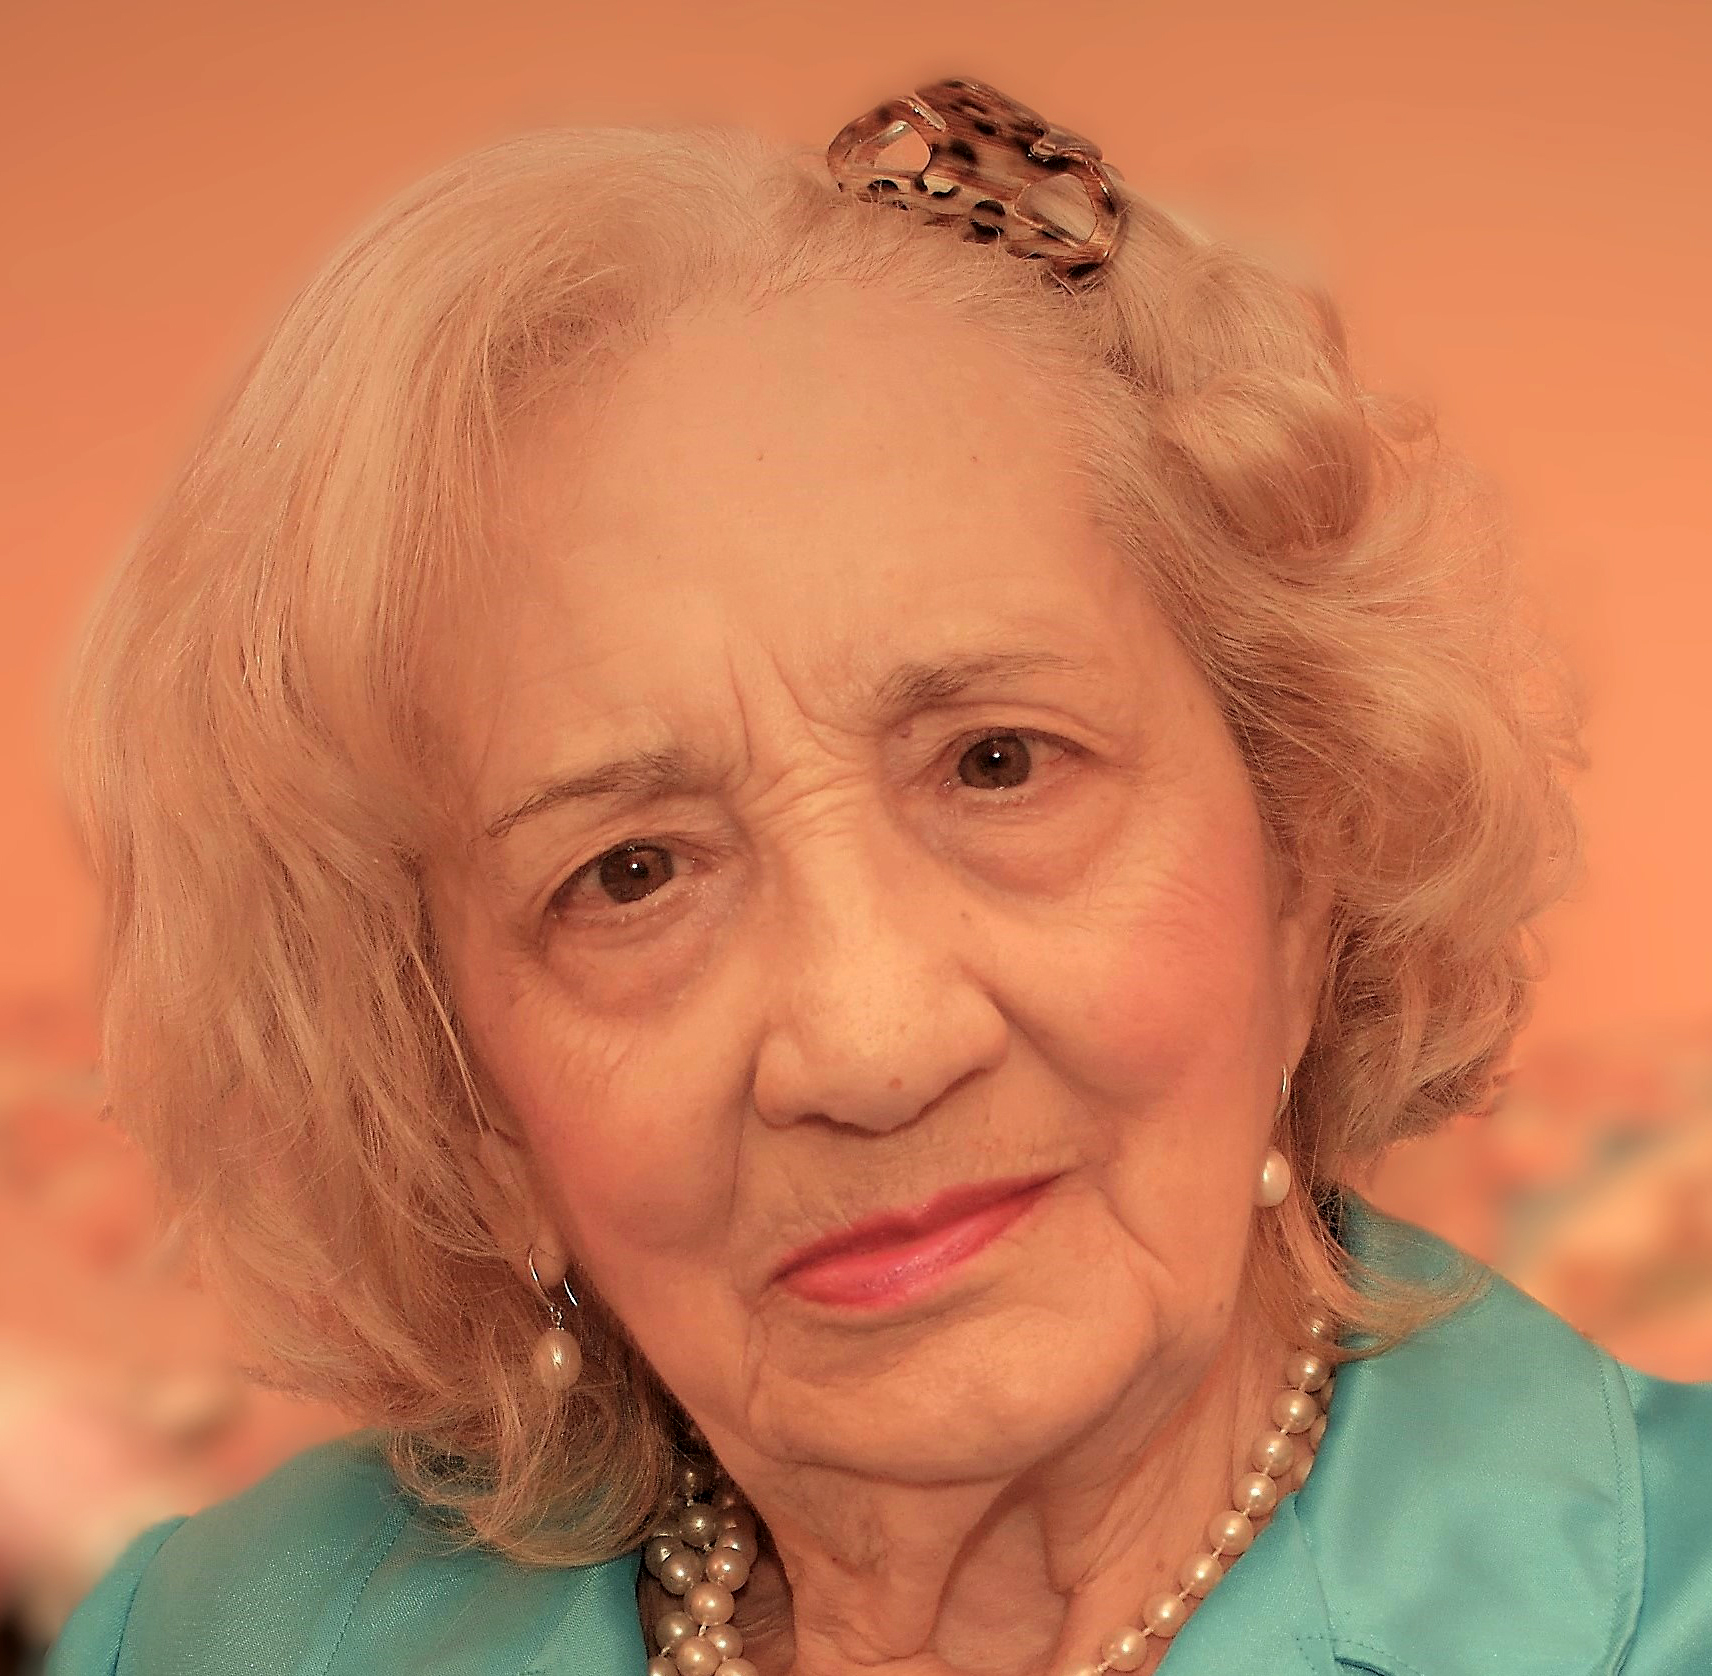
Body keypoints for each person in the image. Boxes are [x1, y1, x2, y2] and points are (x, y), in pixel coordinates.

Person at [45, 76, 1712, 1676]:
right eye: (631, 873)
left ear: (1305, 850)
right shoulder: (198, 1643)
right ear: (465, 1103)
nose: (870, 1043)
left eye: (999, 764)